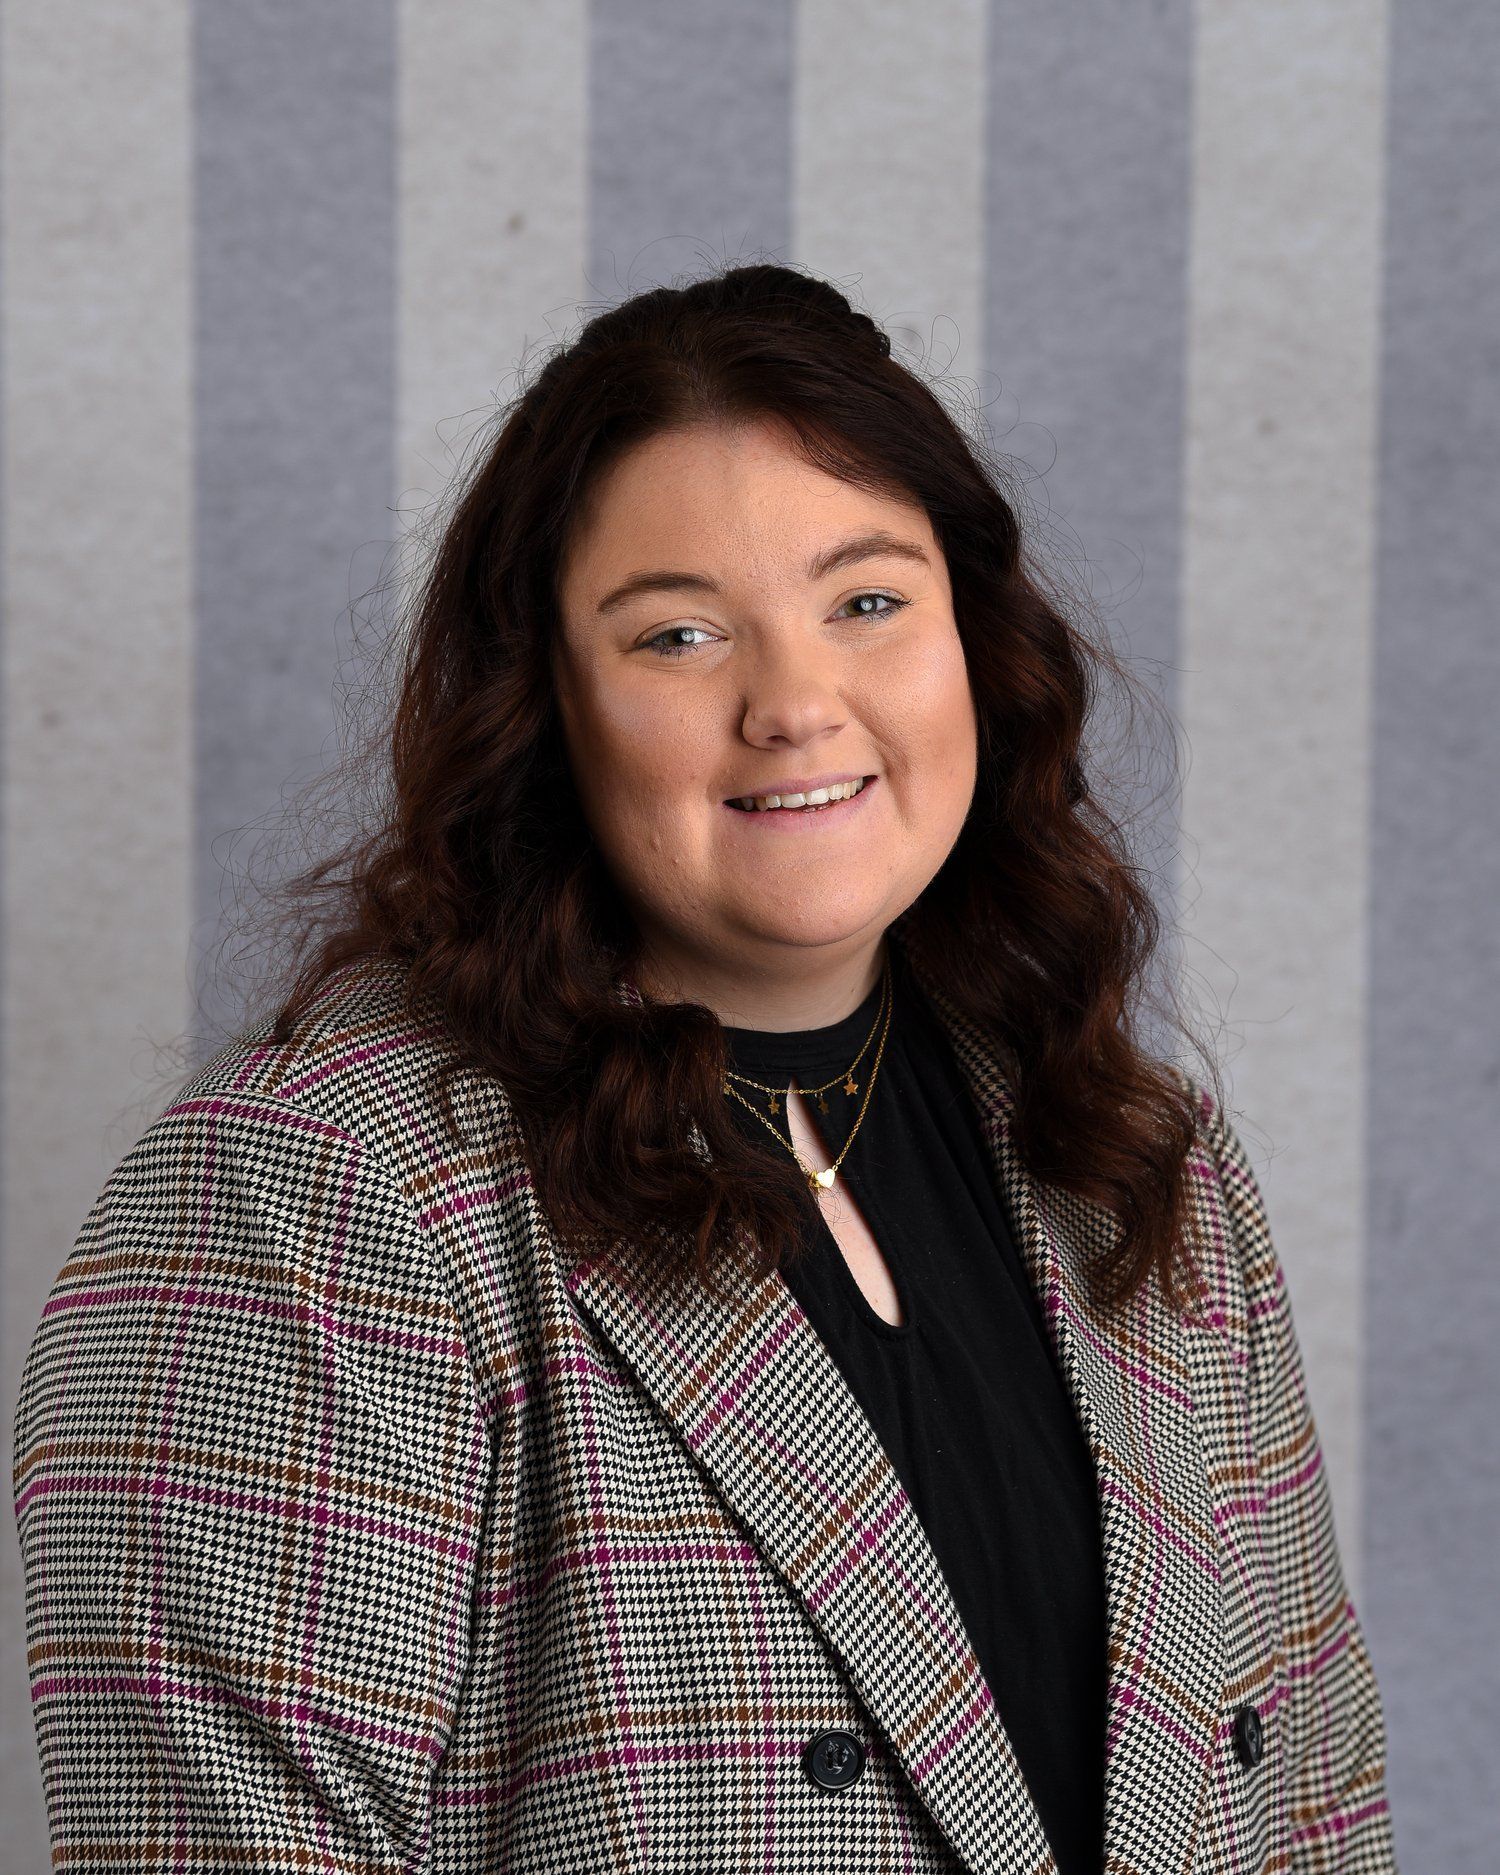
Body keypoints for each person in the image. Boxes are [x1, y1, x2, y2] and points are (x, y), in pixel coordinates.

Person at [12, 263, 1397, 1873]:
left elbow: (1316, 1807)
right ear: (546, 711)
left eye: (869, 600)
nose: (797, 704)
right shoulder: (311, 1197)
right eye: (677, 635)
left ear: (977, 645)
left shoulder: (1140, 1165)